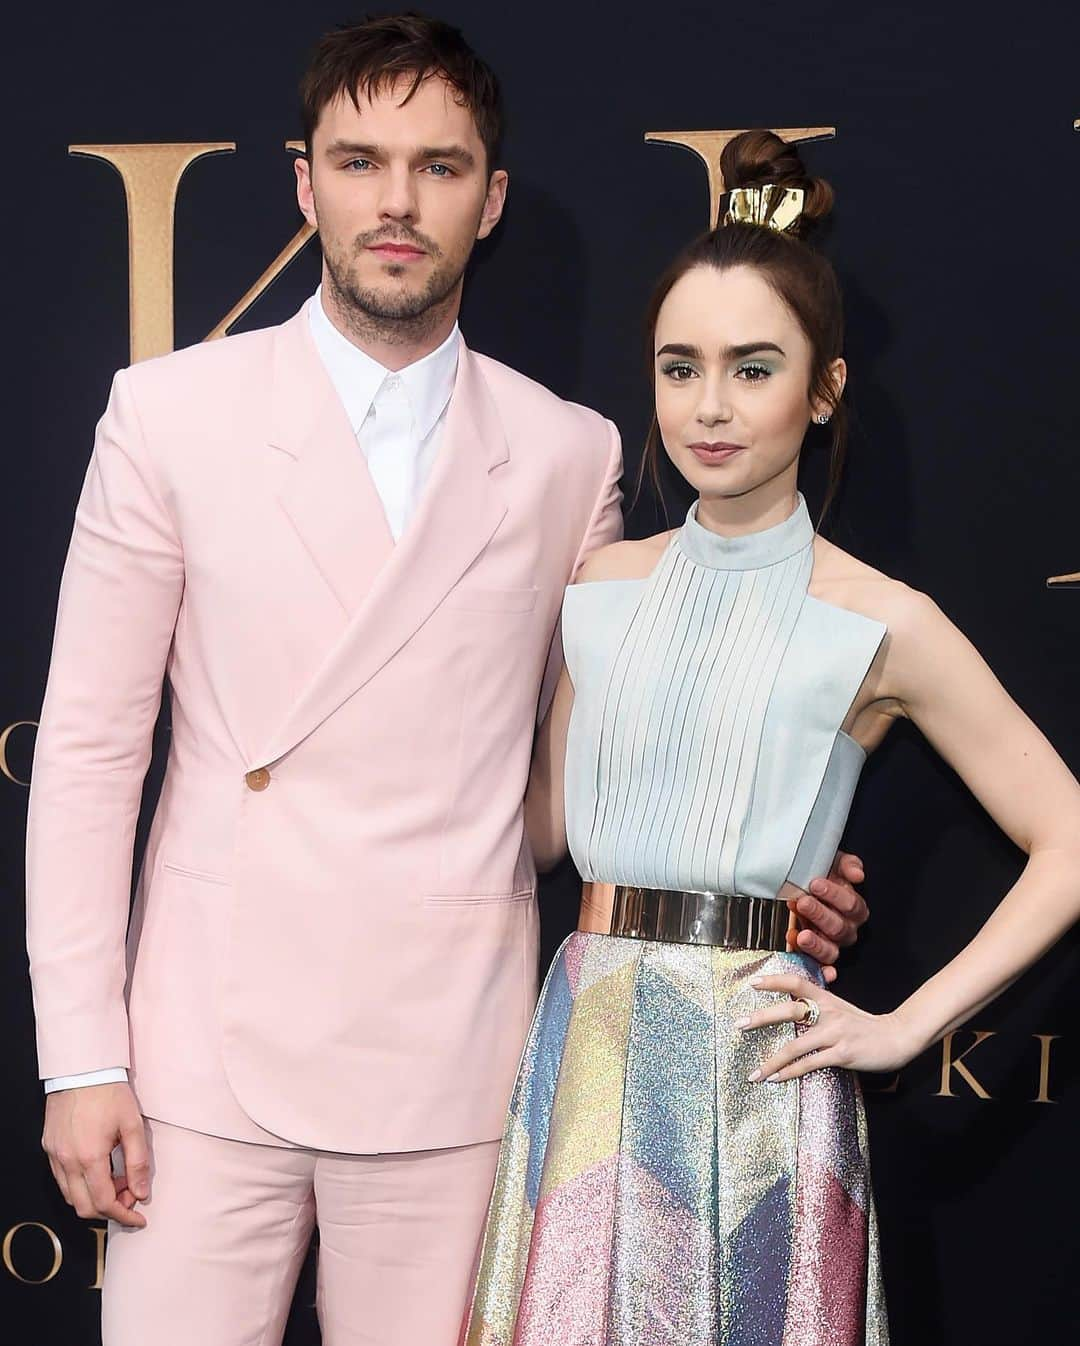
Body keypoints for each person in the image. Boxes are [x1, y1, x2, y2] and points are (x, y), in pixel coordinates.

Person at [23, 22, 868, 1346]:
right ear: (307, 183)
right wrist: (83, 1056)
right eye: (362, 162)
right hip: (198, 1051)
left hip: (453, 1065)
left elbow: (611, 756)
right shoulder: (168, 414)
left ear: (493, 198)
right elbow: (84, 752)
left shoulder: (564, 455)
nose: (398, 202)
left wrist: (760, 872)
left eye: (439, 165)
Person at [464, 129, 1080, 1346]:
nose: (708, 405)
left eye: (754, 368)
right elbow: (542, 826)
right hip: (581, 1046)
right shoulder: (598, 587)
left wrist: (904, 1025)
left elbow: (1066, 833)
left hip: (761, 1074)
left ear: (827, 386)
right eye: (678, 366)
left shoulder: (883, 622)